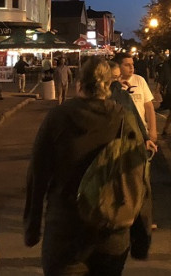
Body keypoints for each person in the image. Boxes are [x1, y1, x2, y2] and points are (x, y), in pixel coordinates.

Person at [24, 56, 142, 276]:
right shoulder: (123, 118)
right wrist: (142, 232)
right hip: (112, 228)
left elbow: (38, 173)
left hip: (66, 227)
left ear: (80, 83)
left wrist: (32, 226)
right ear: (108, 85)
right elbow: (136, 173)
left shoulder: (58, 117)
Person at [109, 61, 155, 260]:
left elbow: (138, 115)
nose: (120, 81)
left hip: (125, 150)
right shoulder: (118, 95)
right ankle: (139, 238)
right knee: (138, 189)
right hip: (124, 152)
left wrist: (146, 137)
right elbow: (132, 119)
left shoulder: (124, 92)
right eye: (115, 78)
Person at [115, 54, 157, 144]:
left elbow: (149, 107)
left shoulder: (140, 80)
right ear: (118, 66)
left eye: (132, 64)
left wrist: (152, 129)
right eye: (127, 65)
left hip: (140, 131)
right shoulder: (113, 85)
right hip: (119, 134)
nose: (131, 67)